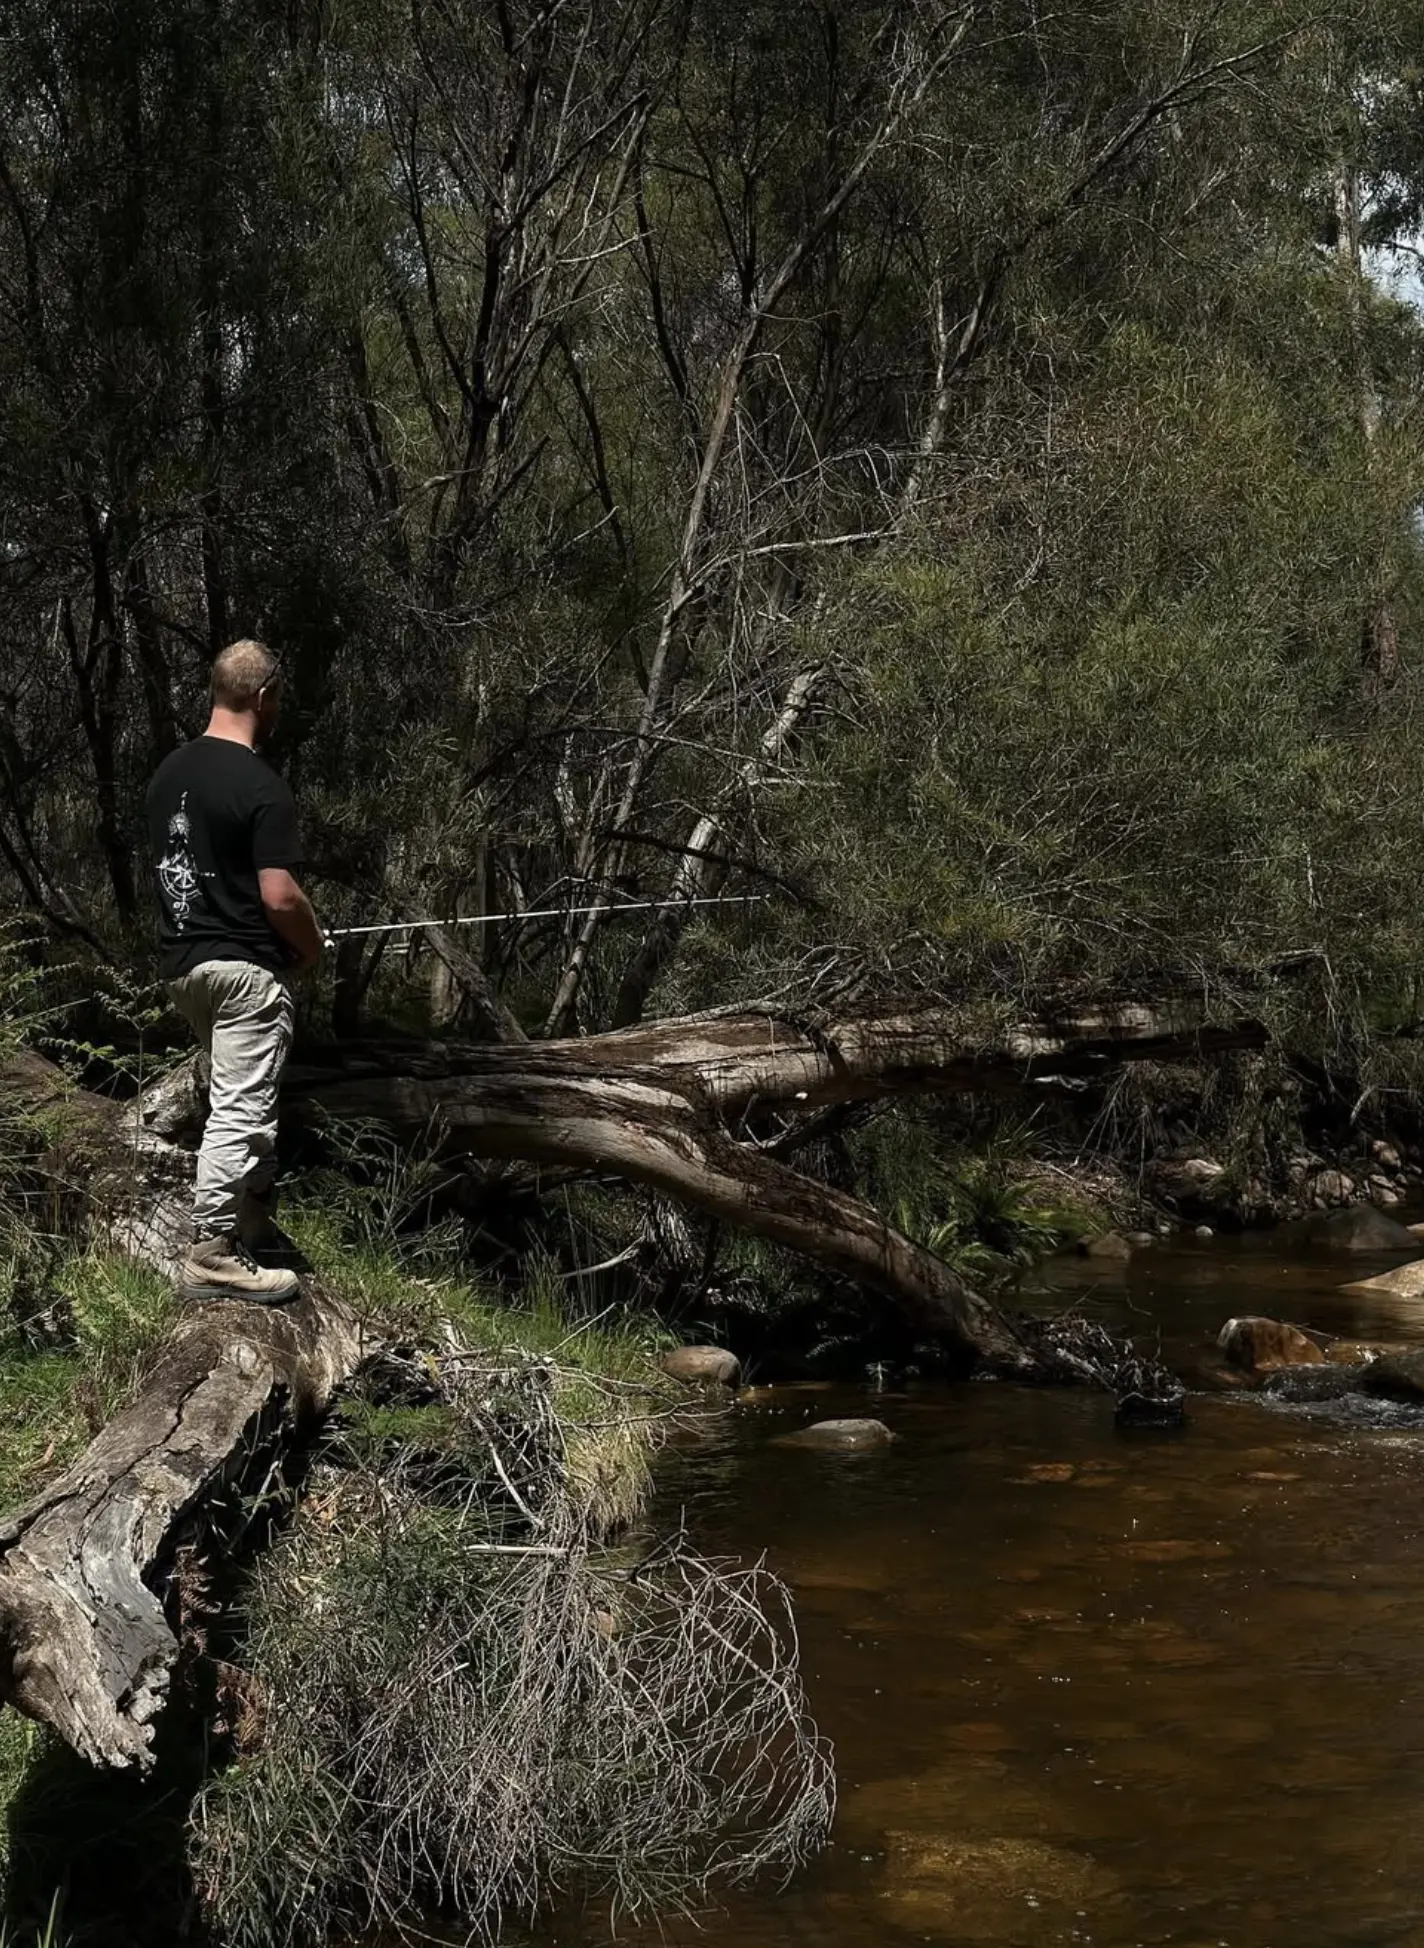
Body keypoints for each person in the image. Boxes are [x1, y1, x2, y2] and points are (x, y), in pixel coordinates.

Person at [145, 638, 324, 1302]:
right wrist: (311, 946)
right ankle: (213, 1252)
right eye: (279, 696)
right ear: (263, 695)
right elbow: (278, 895)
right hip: (245, 975)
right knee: (242, 1110)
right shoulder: (261, 786)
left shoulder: (168, 774)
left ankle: (252, 1229)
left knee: (240, 1096)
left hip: (184, 971)